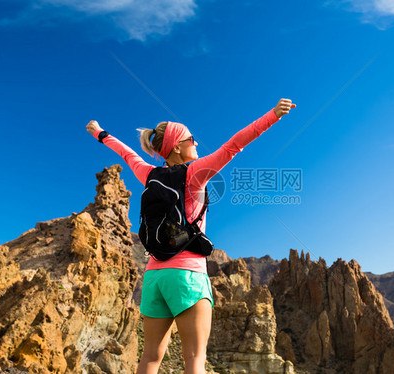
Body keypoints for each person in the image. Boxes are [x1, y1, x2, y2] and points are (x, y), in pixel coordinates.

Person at [86, 98, 295, 374]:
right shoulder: (195, 173)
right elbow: (234, 145)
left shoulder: (149, 174)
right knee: (195, 359)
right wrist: (272, 115)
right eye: (191, 139)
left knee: (149, 358)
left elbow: (126, 154)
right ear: (176, 147)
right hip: (187, 276)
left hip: (154, 277)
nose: (196, 143)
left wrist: (100, 132)